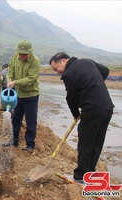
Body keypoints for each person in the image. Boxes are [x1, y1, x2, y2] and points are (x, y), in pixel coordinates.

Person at [49, 52, 114, 183]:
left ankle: (80, 177)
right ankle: (90, 174)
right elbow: (105, 71)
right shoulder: (87, 61)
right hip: (107, 108)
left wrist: (75, 113)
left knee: (85, 144)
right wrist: (94, 85)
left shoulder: (69, 74)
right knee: (96, 143)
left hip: (92, 110)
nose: (57, 72)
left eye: (56, 69)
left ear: (63, 61)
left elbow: (71, 98)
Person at [2, 40, 40, 153]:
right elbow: (10, 71)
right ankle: (14, 140)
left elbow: (31, 79)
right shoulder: (15, 57)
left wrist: (16, 82)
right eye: (20, 53)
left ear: (30, 52)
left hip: (31, 95)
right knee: (16, 118)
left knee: (31, 120)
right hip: (18, 95)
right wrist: (9, 80)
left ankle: (30, 145)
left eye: (24, 54)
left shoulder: (35, 61)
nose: (21, 56)